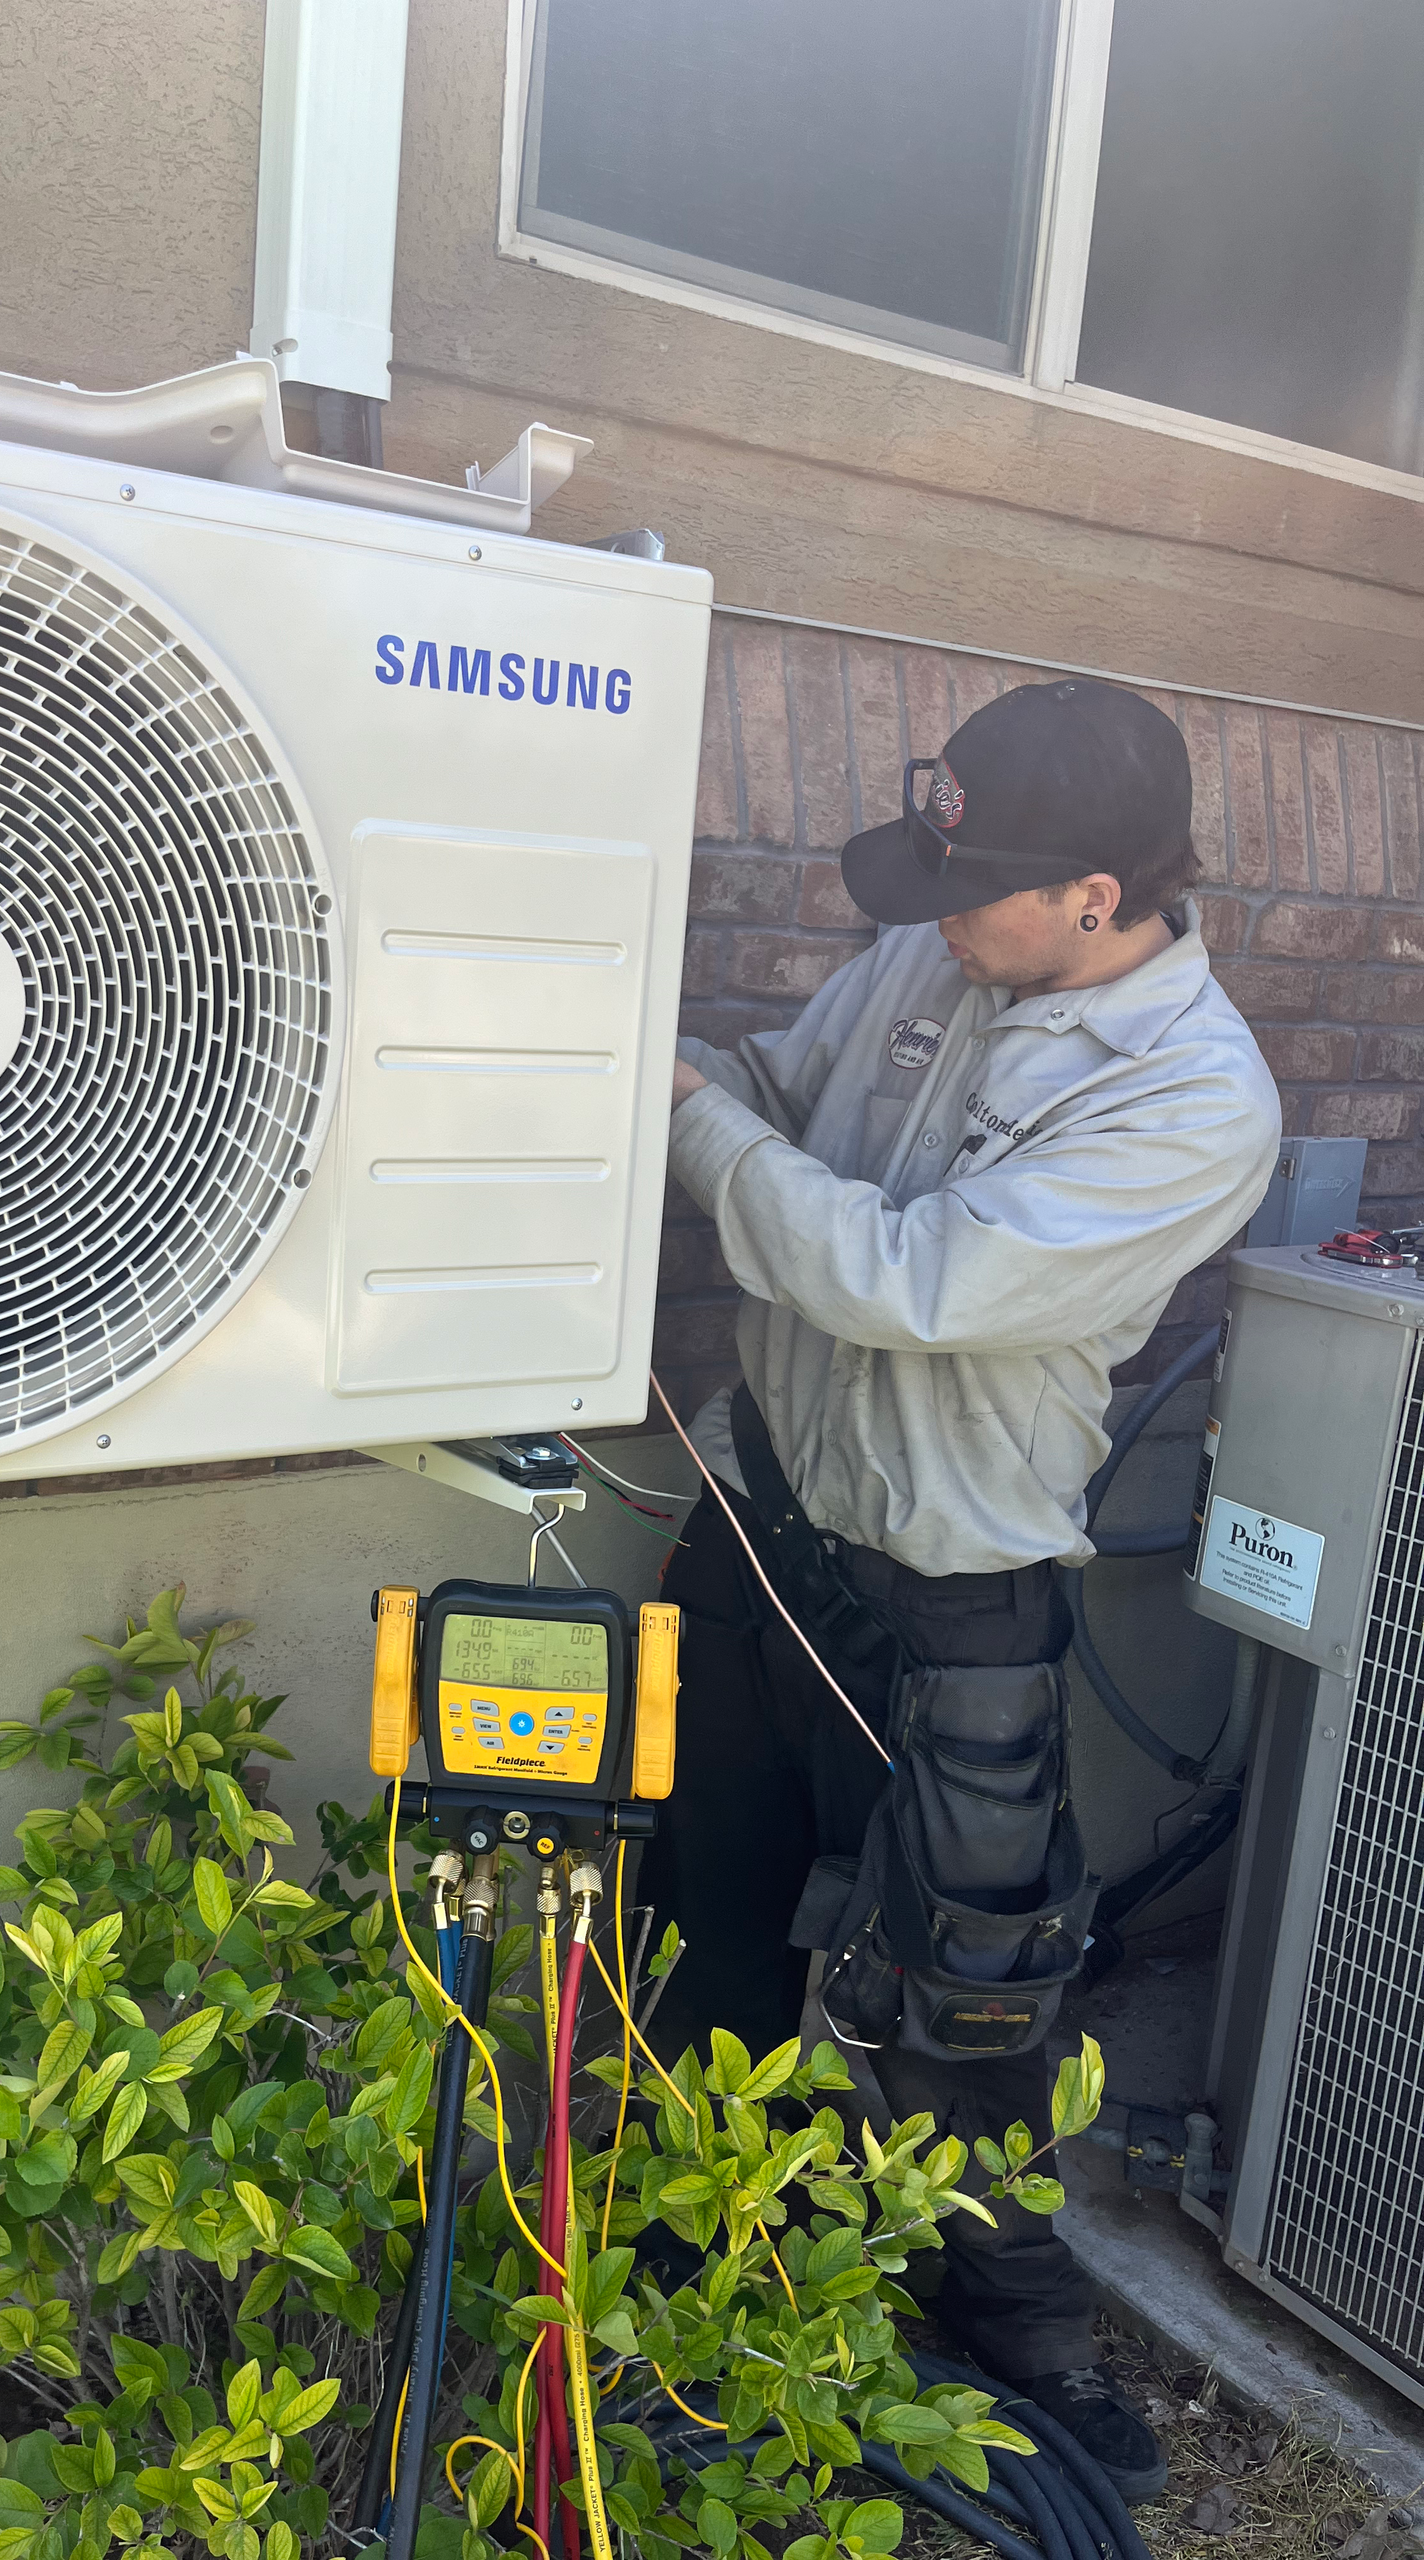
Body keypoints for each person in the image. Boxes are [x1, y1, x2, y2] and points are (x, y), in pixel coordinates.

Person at [641, 676, 1280, 2501]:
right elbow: (770, 1091)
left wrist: (694, 1128)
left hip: (953, 1591)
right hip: (766, 1518)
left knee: (973, 1997)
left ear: (1098, 893)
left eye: (969, 883)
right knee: (720, 1897)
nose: (931, 914)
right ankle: (715, 2232)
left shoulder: (1190, 1099)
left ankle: (1019, 2318)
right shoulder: (941, 959)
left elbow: (910, 1278)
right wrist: (673, 1068)